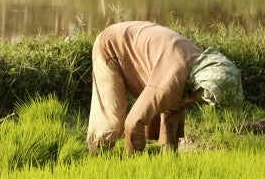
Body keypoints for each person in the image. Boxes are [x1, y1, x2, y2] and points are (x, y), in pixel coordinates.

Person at [86, 21, 243, 155]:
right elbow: (133, 124)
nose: (206, 104)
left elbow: (171, 114)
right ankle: (96, 157)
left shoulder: (200, 67)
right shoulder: (170, 82)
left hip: (144, 43)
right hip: (112, 47)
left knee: (168, 106)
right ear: (201, 86)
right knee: (111, 121)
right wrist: (134, 163)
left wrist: (170, 159)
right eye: (207, 100)